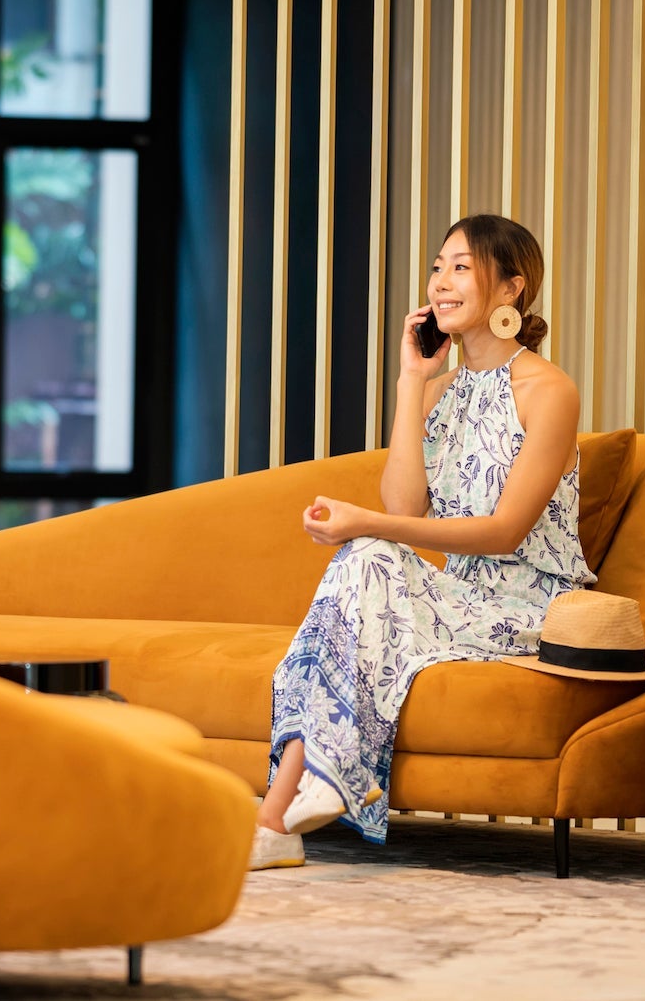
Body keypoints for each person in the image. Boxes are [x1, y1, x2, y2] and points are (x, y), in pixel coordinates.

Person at [249, 213, 596, 871]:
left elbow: (503, 533)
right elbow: (404, 504)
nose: (441, 281)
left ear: (512, 288)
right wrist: (412, 382)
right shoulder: (448, 393)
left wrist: (365, 524)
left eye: (461, 267)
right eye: (438, 266)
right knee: (367, 557)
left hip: (531, 610)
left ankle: (295, 799)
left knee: (370, 550)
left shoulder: (548, 391)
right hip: (461, 597)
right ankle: (297, 799)